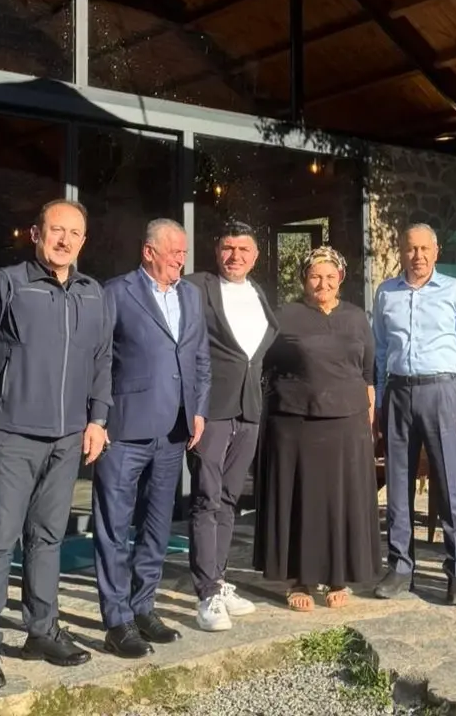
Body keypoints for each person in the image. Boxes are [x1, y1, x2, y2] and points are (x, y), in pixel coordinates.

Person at [0, 199, 113, 691]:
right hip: (10, 434)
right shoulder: (9, 282)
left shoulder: (92, 293)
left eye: (74, 233)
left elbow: (103, 361)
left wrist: (98, 420)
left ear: (84, 242)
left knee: (47, 539)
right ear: (35, 234)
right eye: (56, 230)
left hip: (67, 438)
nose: (64, 240)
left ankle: (41, 630)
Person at [93, 219, 210, 658]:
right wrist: (97, 419)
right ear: (149, 252)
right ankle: (117, 619)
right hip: (124, 429)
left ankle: (143, 607)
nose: (182, 259)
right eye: (175, 251)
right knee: (114, 526)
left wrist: (198, 408)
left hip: (175, 429)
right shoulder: (117, 292)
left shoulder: (191, 296)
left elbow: (200, 358)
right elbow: (100, 359)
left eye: (183, 252)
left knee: (158, 527)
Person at [255, 246, 381, 611]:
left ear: (340, 278)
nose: (322, 283)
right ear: (303, 280)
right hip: (296, 423)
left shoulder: (357, 318)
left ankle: (338, 577)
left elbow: (369, 371)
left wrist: (369, 415)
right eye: (315, 276)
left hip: (348, 423)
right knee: (303, 501)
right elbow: (264, 364)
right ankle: (300, 580)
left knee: (340, 501)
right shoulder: (285, 316)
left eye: (329, 276)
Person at [372, 222, 456, 605]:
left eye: (424, 249)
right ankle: (401, 567)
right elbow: (381, 352)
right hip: (399, 393)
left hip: (443, 392)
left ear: (436, 252)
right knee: (398, 484)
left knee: (450, 483)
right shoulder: (386, 293)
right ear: (401, 252)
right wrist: (379, 403)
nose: (417, 256)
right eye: (410, 249)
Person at [184, 220, 278, 632]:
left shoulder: (259, 294)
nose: (235, 255)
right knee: (206, 497)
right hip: (210, 408)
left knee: (227, 498)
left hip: (249, 409)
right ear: (216, 250)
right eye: (228, 248)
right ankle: (205, 594)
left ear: (255, 256)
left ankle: (218, 580)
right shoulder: (196, 287)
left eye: (243, 249)